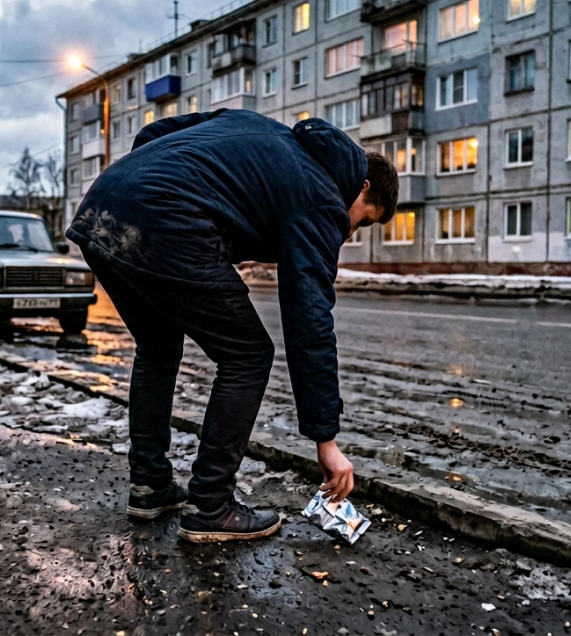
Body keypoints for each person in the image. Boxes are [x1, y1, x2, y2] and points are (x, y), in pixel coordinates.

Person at [66, 109, 398, 543]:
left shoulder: (263, 130)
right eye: (363, 220)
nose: (350, 230)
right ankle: (210, 505)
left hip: (103, 206)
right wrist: (325, 441)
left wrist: (144, 187)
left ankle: (150, 485)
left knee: (158, 346)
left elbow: (155, 132)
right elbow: (310, 320)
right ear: (363, 186)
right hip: (168, 221)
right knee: (248, 355)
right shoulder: (323, 198)